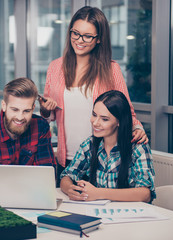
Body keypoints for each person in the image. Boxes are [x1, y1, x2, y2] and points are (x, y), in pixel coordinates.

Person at [39, 6, 148, 186]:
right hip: (66, 160)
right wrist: (45, 109)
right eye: (75, 33)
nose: (79, 40)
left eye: (88, 36)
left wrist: (138, 129)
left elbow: (126, 111)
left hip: (101, 162)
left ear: (99, 39)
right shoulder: (55, 67)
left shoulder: (111, 70)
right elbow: (49, 114)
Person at [60, 90, 155, 203]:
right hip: (100, 214)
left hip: (130, 215)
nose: (95, 122)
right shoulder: (89, 145)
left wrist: (98, 193)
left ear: (119, 121)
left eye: (104, 119)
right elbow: (67, 176)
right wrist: (70, 189)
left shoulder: (138, 147)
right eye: (94, 115)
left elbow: (145, 194)